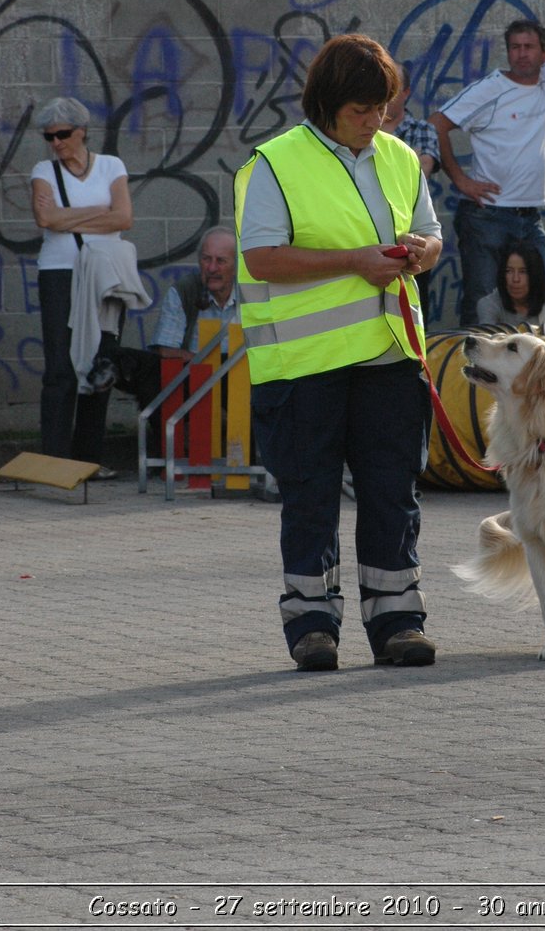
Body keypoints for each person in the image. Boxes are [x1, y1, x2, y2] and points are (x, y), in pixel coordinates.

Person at [235, 33, 442, 672]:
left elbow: (434, 237)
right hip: (303, 367)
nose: (374, 121)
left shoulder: (399, 157)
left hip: (389, 358)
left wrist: (418, 251)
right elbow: (261, 257)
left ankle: (398, 622)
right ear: (327, 104)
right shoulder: (274, 163)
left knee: (392, 493)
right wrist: (355, 261)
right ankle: (312, 627)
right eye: (361, 110)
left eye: (383, 108)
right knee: (310, 496)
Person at [429, 8, 545, 325]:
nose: (521, 54)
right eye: (515, 47)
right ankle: (473, 373)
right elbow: (436, 124)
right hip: (486, 217)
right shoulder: (489, 89)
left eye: (529, 47)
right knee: (482, 307)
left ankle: (544, 373)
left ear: (543, 54)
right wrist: (460, 180)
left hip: (529, 216)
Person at [31, 97, 134, 477]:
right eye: (49, 136)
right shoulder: (44, 170)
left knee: (100, 363)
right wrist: (99, 214)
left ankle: (89, 460)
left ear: (82, 131)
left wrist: (66, 217)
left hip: (105, 275)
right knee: (61, 366)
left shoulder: (111, 166)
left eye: (62, 134)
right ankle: (54, 462)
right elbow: (45, 217)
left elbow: (124, 216)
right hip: (60, 273)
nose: (56, 143)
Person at [113, 226, 239, 415]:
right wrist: (211, 364)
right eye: (206, 259)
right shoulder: (185, 290)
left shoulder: (253, 292)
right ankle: (173, 442)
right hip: (195, 376)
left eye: (221, 261)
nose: (212, 268)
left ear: (237, 264)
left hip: (242, 377)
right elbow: (165, 349)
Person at [383, 61, 441, 321]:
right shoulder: (363, 135)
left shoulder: (422, 130)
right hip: (372, 243)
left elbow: (419, 177)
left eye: (393, 87)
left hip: (414, 242)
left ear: (406, 93)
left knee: (415, 311)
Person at [477, 241, 545, 333]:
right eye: (509, 271)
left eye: (523, 272)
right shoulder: (489, 304)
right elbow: (485, 343)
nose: (516, 279)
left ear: (535, 274)